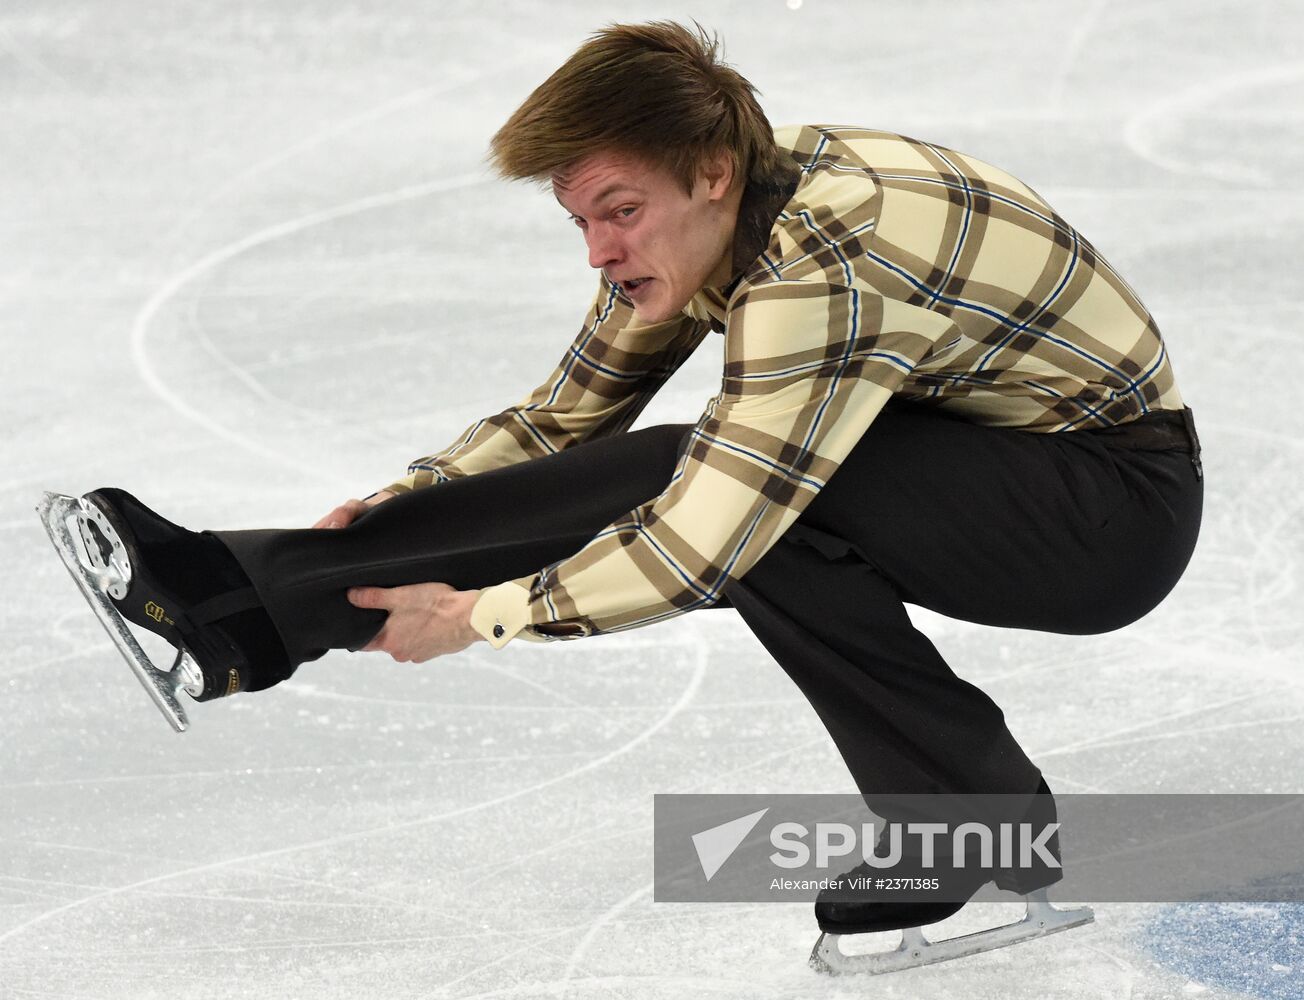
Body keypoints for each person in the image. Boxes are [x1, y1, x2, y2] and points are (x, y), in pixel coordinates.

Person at [56, 21, 1202, 968]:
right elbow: (568, 414)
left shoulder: (824, 262)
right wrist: (398, 503)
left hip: (1107, 513)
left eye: (617, 211)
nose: (598, 252)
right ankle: (247, 597)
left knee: (728, 490)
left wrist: (484, 614)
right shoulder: (721, 199)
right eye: (581, 221)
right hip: (976, 460)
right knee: (754, 503)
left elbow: (697, 536)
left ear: (706, 173)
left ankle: (252, 603)